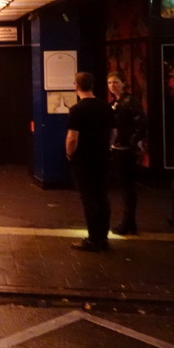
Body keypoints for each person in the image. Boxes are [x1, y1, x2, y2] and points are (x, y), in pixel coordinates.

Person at [66, 72, 115, 252]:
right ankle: (103, 237)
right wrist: (106, 146)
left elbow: (72, 138)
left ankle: (93, 239)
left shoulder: (77, 110)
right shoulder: (105, 106)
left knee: (88, 198)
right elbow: (113, 133)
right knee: (102, 196)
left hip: (84, 159)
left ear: (76, 87)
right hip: (103, 157)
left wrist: (70, 154)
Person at [108, 71, 145, 235]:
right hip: (117, 147)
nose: (112, 86)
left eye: (115, 82)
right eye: (109, 83)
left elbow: (141, 123)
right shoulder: (115, 102)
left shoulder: (130, 101)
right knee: (124, 186)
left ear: (124, 83)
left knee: (127, 186)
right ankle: (129, 222)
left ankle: (128, 222)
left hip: (125, 149)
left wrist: (132, 143)